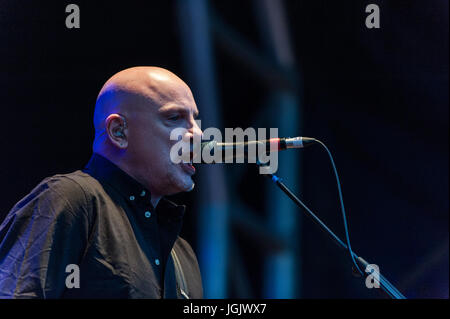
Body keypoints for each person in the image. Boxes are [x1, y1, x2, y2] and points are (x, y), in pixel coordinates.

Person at [0, 66, 203, 298]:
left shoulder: (182, 255)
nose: (198, 134)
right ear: (118, 131)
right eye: (175, 118)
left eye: (195, 120)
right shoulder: (71, 199)